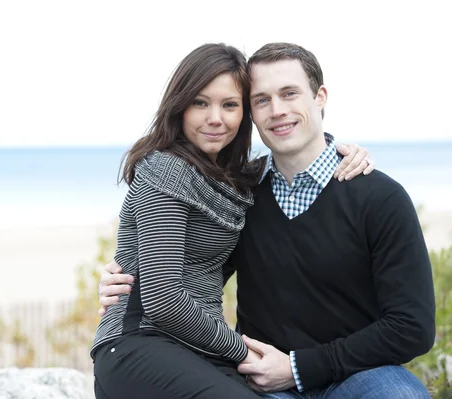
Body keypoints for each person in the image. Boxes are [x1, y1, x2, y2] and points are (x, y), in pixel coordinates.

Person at [98, 43, 435, 399]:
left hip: (359, 372)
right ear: (251, 114)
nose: (277, 111)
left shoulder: (379, 197)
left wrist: (299, 367)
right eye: (261, 100)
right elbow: (193, 266)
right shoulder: (242, 193)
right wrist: (125, 275)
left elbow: (412, 327)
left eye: (289, 94)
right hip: (264, 377)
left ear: (320, 97)